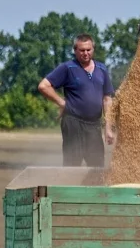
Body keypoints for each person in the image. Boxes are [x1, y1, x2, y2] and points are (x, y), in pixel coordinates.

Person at [38, 34, 117, 167]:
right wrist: (62, 102)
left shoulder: (102, 69)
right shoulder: (68, 68)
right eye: (82, 50)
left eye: (88, 50)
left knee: (97, 166)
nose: (85, 53)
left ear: (93, 49)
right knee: (72, 164)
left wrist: (108, 128)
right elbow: (43, 86)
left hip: (94, 125)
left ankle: (94, 188)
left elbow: (107, 99)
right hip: (73, 122)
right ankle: (69, 187)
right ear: (75, 50)